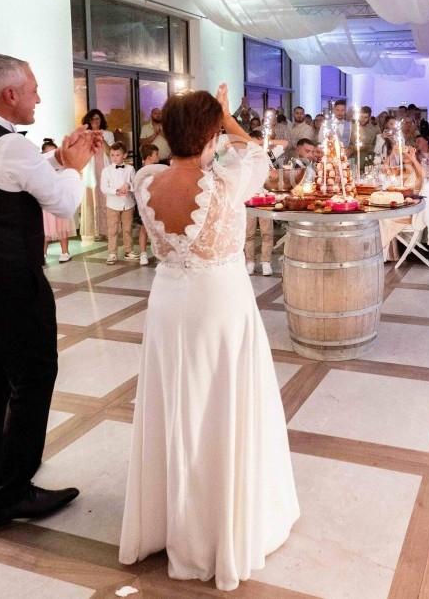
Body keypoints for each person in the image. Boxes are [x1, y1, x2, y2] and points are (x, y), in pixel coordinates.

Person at [120, 84, 298, 589]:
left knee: (174, 401)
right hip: (220, 303)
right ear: (212, 132)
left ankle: (169, 519)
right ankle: (219, 523)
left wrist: (206, 127)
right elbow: (258, 150)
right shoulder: (228, 181)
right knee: (222, 404)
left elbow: (182, 158)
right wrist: (229, 120)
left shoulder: (143, 178)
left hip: (169, 301)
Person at [0, 54, 99, 529]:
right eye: (32, 88)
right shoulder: (9, 145)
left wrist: (56, 159)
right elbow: (65, 203)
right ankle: (11, 494)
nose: (38, 97)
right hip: (9, 280)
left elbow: (6, 179)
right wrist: (75, 167)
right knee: (33, 379)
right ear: (9, 95)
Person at [40, 140, 76, 264]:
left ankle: (65, 251)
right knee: (45, 228)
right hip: (46, 202)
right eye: (47, 153)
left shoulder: (63, 167)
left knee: (62, 226)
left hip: (60, 200)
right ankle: (42, 254)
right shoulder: (40, 169)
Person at [80, 108, 115, 240]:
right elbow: (83, 153)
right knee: (94, 199)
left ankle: (108, 230)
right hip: (91, 171)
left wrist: (102, 138)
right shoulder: (85, 134)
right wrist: (91, 137)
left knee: (105, 199)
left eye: (98, 119)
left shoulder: (108, 134)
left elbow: (110, 152)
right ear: (89, 121)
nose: (95, 121)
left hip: (105, 169)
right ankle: (96, 231)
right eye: (93, 119)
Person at [101, 142, 137, 265]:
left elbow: (136, 184)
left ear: (124, 155)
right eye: (112, 155)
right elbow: (103, 188)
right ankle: (112, 253)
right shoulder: (106, 171)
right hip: (112, 204)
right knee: (112, 230)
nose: (115, 157)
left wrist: (129, 185)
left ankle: (129, 250)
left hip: (128, 203)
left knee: (127, 229)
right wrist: (116, 191)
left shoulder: (130, 169)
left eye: (117, 155)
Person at [133, 142, 163, 265]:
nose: (158, 156)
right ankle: (143, 253)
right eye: (156, 154)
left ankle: (159, 253)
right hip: (144, 203)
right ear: (149, 157)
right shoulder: (140, 171)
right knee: (144, 228)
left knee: (158, 229)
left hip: (156, 202)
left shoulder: (159, 169)